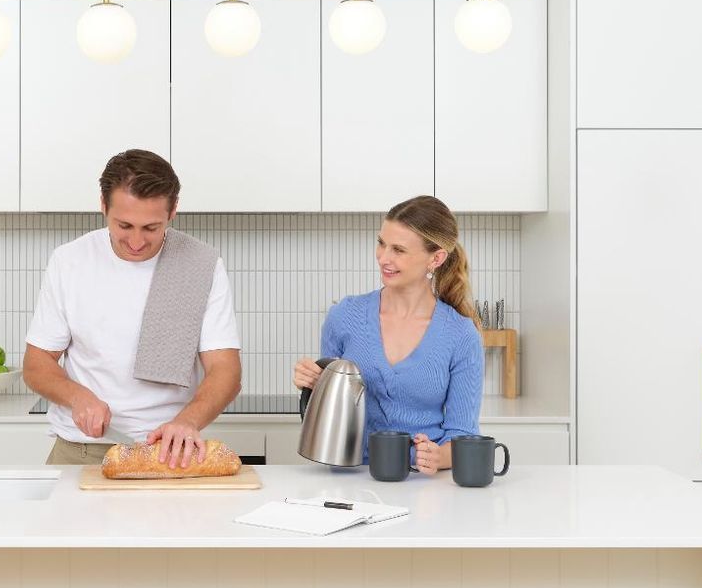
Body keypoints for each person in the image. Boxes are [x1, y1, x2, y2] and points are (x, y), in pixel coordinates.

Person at [24, 149, 242, 467]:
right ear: (103, 205)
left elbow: (226, 369)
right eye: (124, 225)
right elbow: (36, 363)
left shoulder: (202, 265)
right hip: (81, 451)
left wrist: (188, 422)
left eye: (152, 228)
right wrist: (77, 396)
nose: (137, 242)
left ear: (173, 211)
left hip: (168, 453)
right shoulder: (69, 261)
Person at [292, 194, 484, 475]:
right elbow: (329, 413)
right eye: (381, 243)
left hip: (420, 484)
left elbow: (463, 435)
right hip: (350, 478)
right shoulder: (345, 316)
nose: (384, 258)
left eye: (399, 250)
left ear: (436, 258)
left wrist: (438, 456)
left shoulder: (461, 335)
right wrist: (313, 383)